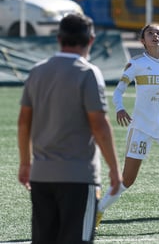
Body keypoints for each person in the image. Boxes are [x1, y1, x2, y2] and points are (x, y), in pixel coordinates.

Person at [17, 13, 122, 244]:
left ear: (58, 38)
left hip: (41, 175)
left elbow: (24, 122)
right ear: (91, 40)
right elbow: (99, 126)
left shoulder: (37, 71)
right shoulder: (88, 72)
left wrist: (25, 163)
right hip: (79, 177)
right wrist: (114, 168)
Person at [95, 23, 159, 229]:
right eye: (150, 33)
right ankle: (97, 211)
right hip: (141, 127)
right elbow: (118, 91)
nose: (155, 36)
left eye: (158, 33)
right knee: (128, 179)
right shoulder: (136, 63)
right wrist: (120, 108)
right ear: (143, 40)